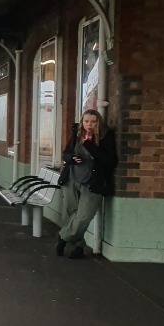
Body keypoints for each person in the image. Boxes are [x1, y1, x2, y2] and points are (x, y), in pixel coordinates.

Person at [56, 109, 117, 259]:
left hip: (93, 183)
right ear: (82, 122)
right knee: (71, 214)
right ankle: (78, 247)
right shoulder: (77, 134)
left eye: (93, 122)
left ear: (99, 122)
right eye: (86, 121)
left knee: (83, 217)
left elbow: (110, 161)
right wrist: (71, 157)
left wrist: (90, 145)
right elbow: (66, 153)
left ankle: (63, 237)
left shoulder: (105, 137)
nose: (89, 125)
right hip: (72, 179)